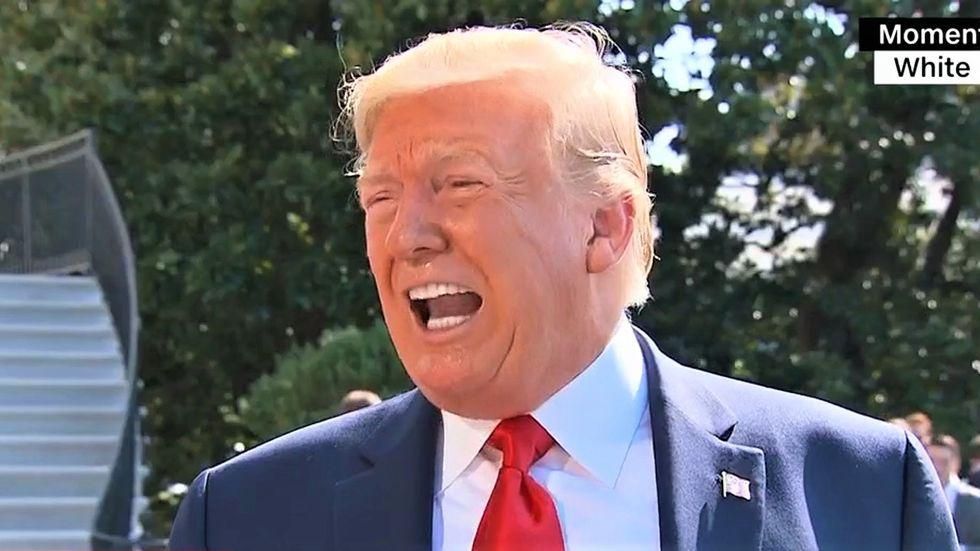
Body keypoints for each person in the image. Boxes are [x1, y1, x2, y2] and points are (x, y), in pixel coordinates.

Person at [169, 23, 956, 550]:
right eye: (380, 198)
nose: (407, 236)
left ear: (605, 226)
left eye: (461, 184)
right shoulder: (244, 516)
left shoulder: (862, 489)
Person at [927, 435, 980, 549]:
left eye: (943, 462)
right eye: (931, 461)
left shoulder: (976, 501)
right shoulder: (912, 498)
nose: (937, 468)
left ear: (956, 463)